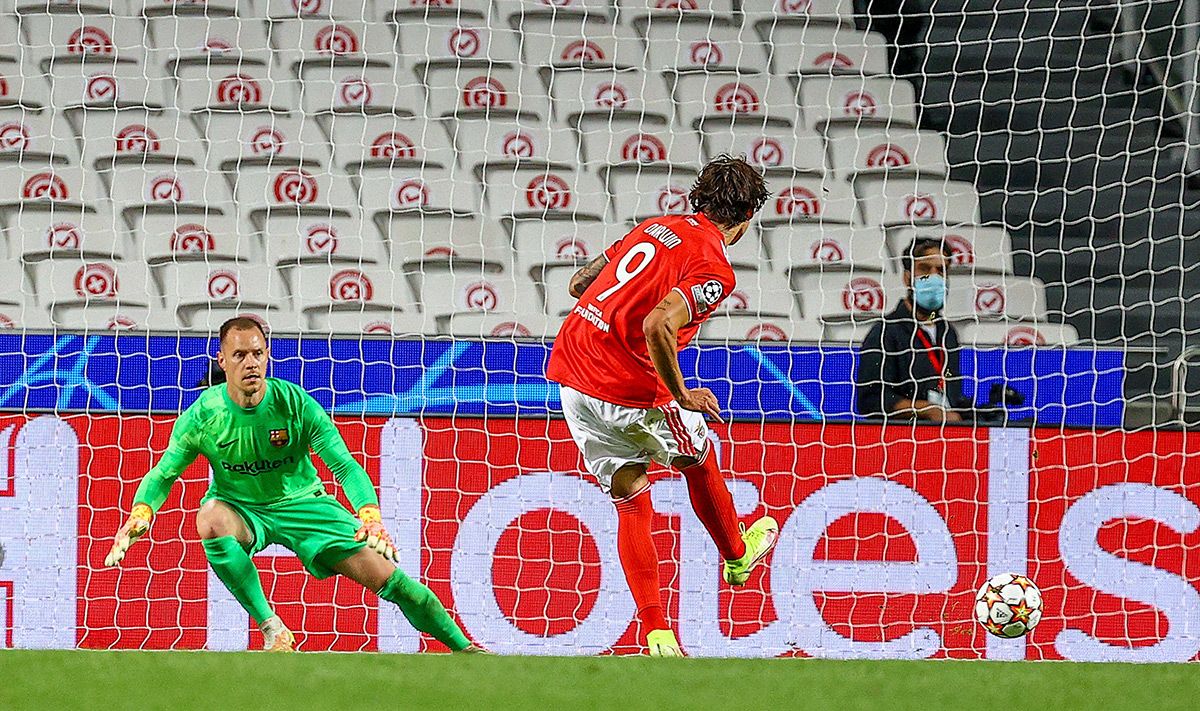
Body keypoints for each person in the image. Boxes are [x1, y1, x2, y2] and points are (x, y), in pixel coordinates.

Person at [105, 317, 480, 653]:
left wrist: (370, 516)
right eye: (239, 355)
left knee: (397, 585)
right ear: (222, 362)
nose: (250, 362)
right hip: (242, 508)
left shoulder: (295, 404)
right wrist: (142, 511)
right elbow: (163, 474)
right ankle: (273, 629)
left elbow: (344, 466)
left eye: (257, 353)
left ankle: (466, 650)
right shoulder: (203, 415)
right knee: (210, 518)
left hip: (305, 505)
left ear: (267, 356)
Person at [546, 155, 780, 657]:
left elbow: (580, 283)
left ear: (699, 198)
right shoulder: (714, 265)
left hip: (573, 373)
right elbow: (658, 325)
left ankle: (655, 631)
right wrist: (683, 394)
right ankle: (737, 554)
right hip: (630, 386)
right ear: (745, 219)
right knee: (698, 454)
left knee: (631, 496)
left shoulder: (653, 227)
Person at [856, 237, 971, 422]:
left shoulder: (948, 333)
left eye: (941, 271)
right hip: (902, 439)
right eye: (925, 269)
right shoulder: (885, 332)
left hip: (947, 437)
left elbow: (952, 395)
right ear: (907, 277)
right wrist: (926, 410)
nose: (934, 277)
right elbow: (871, 401)